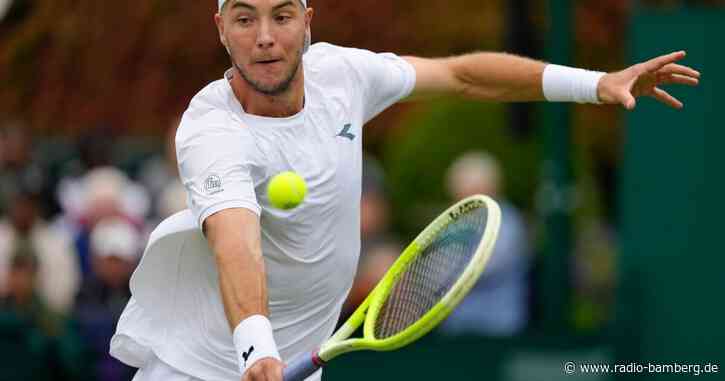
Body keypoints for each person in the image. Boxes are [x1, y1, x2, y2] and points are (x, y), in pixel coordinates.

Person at [110, 1, 701, 380]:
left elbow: (464, 76)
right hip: (197, 367)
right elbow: (237, 245)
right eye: (244, 18)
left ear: (307, 20)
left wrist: (595, 83)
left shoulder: (344, 75)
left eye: (282, 15)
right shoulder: (211, 128)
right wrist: (256, 350)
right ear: (222, 29)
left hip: (291, 365)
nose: (265, 37)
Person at [439, 151, 530, 337]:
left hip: (501, 326)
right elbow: (437, 271)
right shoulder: (450, 223)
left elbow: (485, 267)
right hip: (457, 327)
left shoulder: (509, 222)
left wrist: (451, 268)